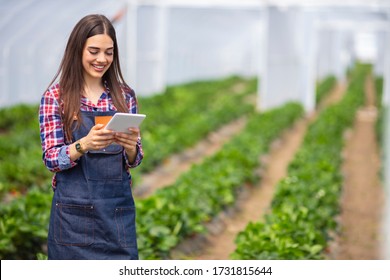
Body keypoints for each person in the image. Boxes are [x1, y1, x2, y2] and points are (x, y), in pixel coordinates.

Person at [38, 14, 143, 260]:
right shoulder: (56, 97)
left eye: (109, 52)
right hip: (72, 219)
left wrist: (130, 148)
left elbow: (134, 159)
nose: (102, 59)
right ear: (77, 50)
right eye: (94, 51)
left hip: (116, 214)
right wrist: (84, 144)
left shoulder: (125, 96)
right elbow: (51, 159)